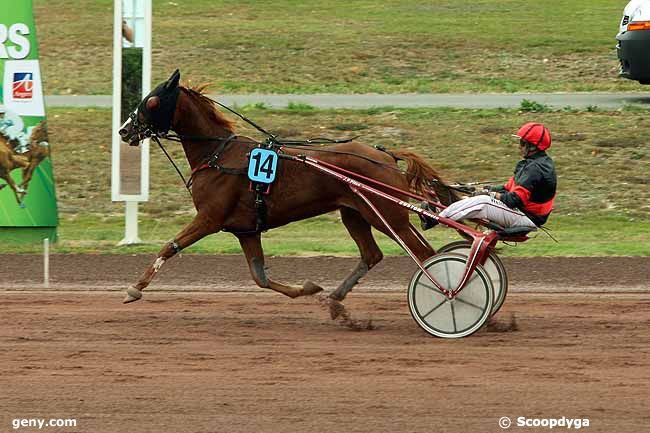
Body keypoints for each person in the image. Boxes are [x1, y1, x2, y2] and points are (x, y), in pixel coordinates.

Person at [428, 122, 557, 230]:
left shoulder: (534, 169)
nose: (519, 147)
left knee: (483, 202)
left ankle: (436, 218)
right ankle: (439, 206)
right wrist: (485, 189)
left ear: (533, 146)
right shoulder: (537, 162)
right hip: (524, 213)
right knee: (477, 197)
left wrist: (491, 195)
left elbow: (513, 200)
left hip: (526, 217)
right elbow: (507, 189)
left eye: (522, 143)